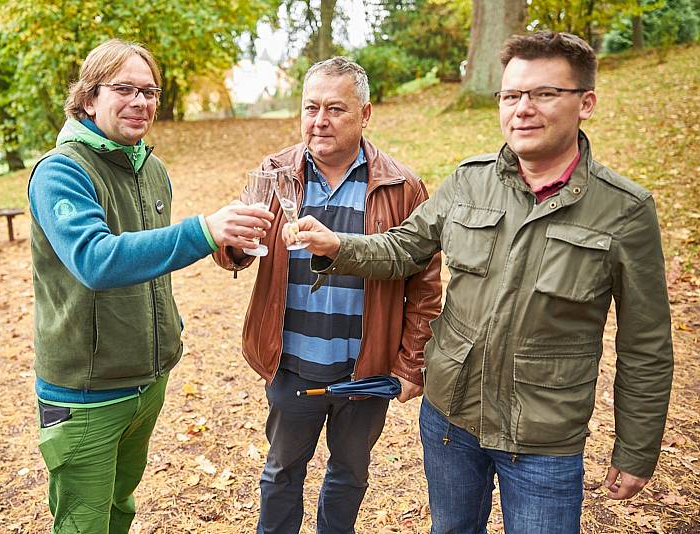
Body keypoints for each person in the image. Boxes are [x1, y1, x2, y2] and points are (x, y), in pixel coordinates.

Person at [287, 32, 674, 534]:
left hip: (544, 440)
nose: (523, 109)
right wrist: (337, 246)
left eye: (544, 94)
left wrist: (636, 448)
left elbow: (646, 343)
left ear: (587, 103)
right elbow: (403, 247)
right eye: (511, 96)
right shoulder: (471, 181)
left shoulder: (625, 210)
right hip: (449, 422)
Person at [28, 39, 273, 533]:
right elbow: (96, 260)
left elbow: (151, 258)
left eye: (150, 91)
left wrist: (229, 246)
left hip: (148, 378)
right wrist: (203, 231)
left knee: (120, 507)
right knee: (83, 523)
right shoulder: (61, 172)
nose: (141, 102)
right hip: (88, 390)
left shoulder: (150, 168)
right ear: (89, 99)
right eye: (124, 89)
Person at [214, 57, 442, 534]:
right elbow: (235, 254)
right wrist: (233, 244)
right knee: (281, 474)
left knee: (349, 475)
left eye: (335, 108)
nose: (319, 121)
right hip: (292, 362)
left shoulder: (402, 186)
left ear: (365, 113)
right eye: (310, 107)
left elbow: (425, 288)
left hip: (365, 369)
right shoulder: (275, 173)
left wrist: (408, 365)